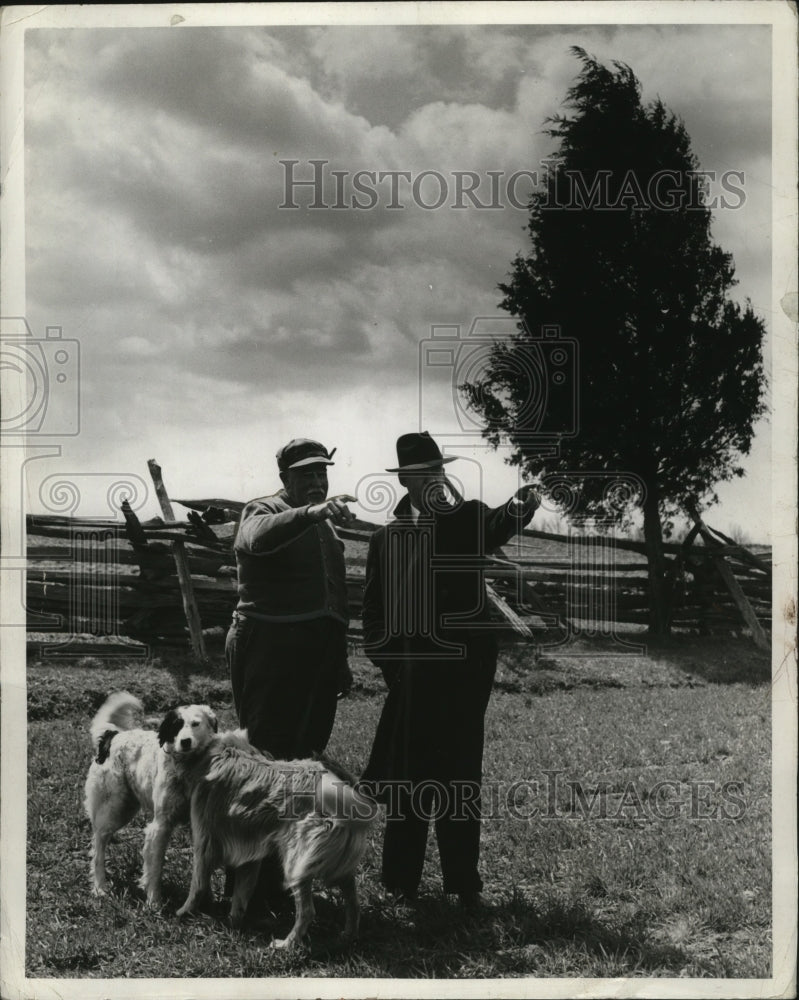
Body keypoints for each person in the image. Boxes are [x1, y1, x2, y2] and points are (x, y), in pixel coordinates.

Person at [360, 432, 539, 907]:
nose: (435, 480)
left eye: (439, 471)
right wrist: (391, 666)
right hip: (411, 675)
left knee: (460, 774)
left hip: (464, 672)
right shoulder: (385, 538)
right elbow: (373, 612)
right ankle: (401, 882)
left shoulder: (463, 519)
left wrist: (523, 505)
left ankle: (464, 883)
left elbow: (498, 524)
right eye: (425, 474)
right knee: (408, 777)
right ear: (408, 482)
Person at [226, 437, 356, 913]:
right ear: (285, 478)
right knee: (265, 763)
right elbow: (254, 539)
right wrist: (310, 512)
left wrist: (338, 658)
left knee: (303, 763)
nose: (317, 482)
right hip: (270, 647)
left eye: (322, 473)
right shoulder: (265, 509)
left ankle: (286, 879)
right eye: (305, 474)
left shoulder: (327, 528)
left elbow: (334, 599)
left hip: (316, 655)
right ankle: (247, 890)